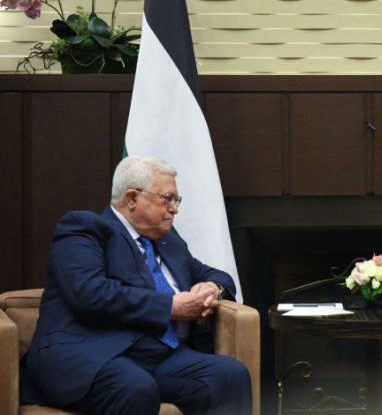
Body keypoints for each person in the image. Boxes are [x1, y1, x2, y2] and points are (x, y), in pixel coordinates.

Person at [20, 155, 252, 414]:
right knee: (135, 387)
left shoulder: (170, 244)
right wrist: (171, 307)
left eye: (176, 201)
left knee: (229, 375)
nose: (174, 209)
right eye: (167, 199)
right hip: (95, 353)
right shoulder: (85, 230)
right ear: (131, 198)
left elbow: (216, 275)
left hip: (160, 357)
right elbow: (89, 293)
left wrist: (212, 287)